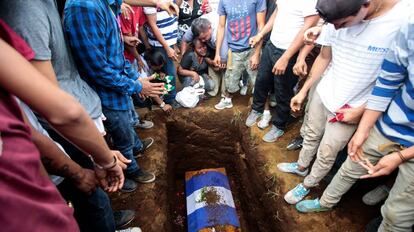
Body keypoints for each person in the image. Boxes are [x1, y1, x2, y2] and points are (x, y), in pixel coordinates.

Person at [0, 1, 140, 230]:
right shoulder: (26, 8)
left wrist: (96, 156)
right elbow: (58, 112)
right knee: (94, 202)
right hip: (39, 163)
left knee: (92, 201)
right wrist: (103, 158)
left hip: (55, 135)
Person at [277, 0, 410, 205]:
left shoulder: (403, 19)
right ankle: (302, 166)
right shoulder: (335, 17)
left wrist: (361, 111)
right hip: (325, 92)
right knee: (311, 134)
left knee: (327, 152)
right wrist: (304, 91)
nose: (336, 29)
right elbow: (324, 57)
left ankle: (308, 184)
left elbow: (398, 81)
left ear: (365, 5)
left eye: (343, 24)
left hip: (352, 107)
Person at [296, 16, 414, 232]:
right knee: (349, 168)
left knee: (396, 215)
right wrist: (364, 128)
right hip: (389, 125)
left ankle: (386, 195)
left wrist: (401, 156)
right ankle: (325, 203)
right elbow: (390, 80)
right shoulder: (410, 27)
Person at [64, 0, 165, 185]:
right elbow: (98, 70)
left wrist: (136, 79)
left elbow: (115, 55)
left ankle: (135, 149)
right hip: (106, 93)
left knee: (126, 125)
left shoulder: (107, 4)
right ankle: (129, 172)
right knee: (121, 136)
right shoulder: (85, 7)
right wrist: (137, 86)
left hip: (118, 87)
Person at [244, 0, 319, 142]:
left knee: (282, 90)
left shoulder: (311, 3)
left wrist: (286, 58)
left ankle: (279, 125)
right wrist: (261, 34)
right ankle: (257, 109)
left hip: (288, 51)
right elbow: (277, 13)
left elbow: (308, 30)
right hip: (272, 44)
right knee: (262, 80)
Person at [213, 0, 266, 110]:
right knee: (230, 79)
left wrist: (256, 54)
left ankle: (261, 109)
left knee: (257, 80)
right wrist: (217, 53)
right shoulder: (224, 1)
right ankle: (227, 100)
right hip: (234, 49)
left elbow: (261, 25)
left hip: (252, 47)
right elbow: (221, 26)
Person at [181, 16, 228, 97]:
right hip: (194, 72)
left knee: (225, 67)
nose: (203, 41)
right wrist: (184, 58)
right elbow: (184, 40)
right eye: (200, 39)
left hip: (226, 45)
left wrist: (219, 64)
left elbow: (223, 57)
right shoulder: (195, 28)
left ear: (210, 28)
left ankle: (226, 92)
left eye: (204, 38)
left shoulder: (216, 35)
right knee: (196, 82)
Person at [143, 4, 179, 106]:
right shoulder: (151, 2)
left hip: (169, 41)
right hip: (161, 43)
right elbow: (152, 24)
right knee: (170, 73)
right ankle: (169, 100)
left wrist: (173, 44)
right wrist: (167, 47)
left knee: (165, 72)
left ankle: (166, 97)